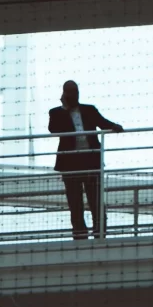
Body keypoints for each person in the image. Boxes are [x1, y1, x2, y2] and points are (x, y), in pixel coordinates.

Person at [48, 78, 123, 240]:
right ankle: (80, 235)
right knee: (75, 202)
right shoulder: (56, 112)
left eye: (75, 92)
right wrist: (65, 108)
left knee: (95, 199)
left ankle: (99, 232)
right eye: (70, 92)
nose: (74, 95)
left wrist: (114, 127)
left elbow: (102, 123)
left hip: (90, 161)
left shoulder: (89, 110)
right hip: (70, 163)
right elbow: (53, 129)